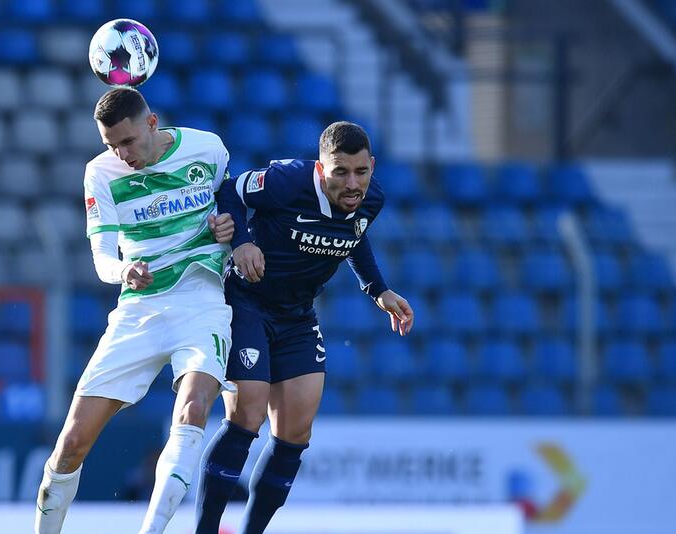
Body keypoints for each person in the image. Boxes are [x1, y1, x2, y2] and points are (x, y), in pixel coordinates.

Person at [194, 121, 415, 534]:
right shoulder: (287, 181)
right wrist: (241, 240)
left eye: (361, 172)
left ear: (372, 165)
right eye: (341, 172)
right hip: (247, 302)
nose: (353, 184)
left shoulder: (372, 199)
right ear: (321, 167)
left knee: (296, 430)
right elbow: (230, 190)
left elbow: (354, 233)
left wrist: (377, 289)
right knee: (249, 412)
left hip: (297, 316)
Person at [35, 87, 237, 534]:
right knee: (71, 443)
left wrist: (231, 229)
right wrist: (123, 271)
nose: (121, 154)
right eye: (111, 145)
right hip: (139, 310)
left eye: (127, 142)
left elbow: (235, 208)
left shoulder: (208, 148)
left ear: (152, 123)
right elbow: (102, 254)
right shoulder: (100, 173)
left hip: (199, 302)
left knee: (193, 409)